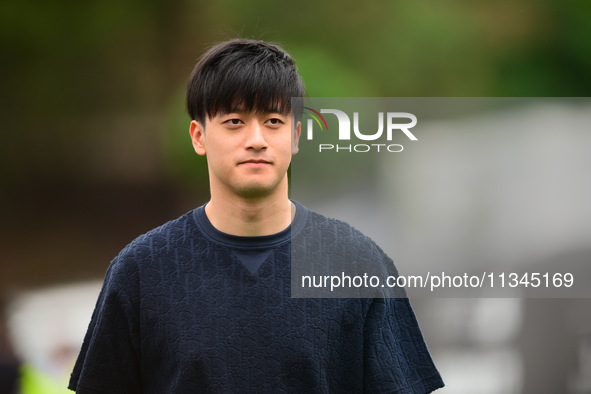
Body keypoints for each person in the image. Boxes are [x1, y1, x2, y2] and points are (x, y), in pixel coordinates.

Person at [69, 38, 444, 393]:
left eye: (273, 121)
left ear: (296, 136)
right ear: (198, 136)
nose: (256, 139)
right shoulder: (141, 271)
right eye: (234, 121)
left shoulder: (359, 263)